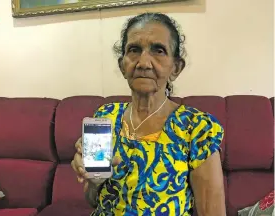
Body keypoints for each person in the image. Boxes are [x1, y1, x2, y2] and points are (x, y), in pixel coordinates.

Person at [71, 12, 226, 216]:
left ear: (176, 68)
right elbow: (93, 200)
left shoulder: (195, 128)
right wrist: (93, 182)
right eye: (134, 50)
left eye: (158, 50)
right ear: (122, 65)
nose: (143, 62)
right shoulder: (106, 116)